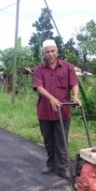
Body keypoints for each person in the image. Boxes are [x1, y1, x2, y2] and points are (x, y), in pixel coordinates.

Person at [33, 39, 81, 181]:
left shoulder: (67, 67)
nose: (51, 54)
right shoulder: (39, 69)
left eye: (53, 51)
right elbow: (39, 87)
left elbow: (74, 84)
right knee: (48, 140)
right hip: (45, 111)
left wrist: (76, 96)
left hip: (63, 111)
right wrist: (51, 98)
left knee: (62, 140)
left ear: (57, 51)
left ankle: (63, 168)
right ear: (44, 53)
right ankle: (51, 164)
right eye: (47, 52)